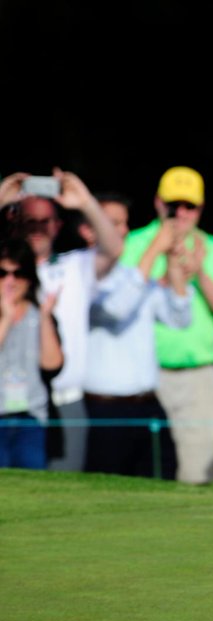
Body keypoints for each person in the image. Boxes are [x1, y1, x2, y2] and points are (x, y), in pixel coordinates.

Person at [120, 166, 213, 485]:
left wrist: (200, 273)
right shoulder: (134, 243)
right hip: (142, 379)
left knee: (197, 478)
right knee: (141, 477)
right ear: (158, 204)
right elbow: (117, 304)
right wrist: (169, 277)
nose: (181, 213)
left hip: (197, 380)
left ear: (200, 208)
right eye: (173, 205)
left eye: (189, 206)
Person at [1, 169, 124, 472]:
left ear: (58, 225)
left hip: (64, 400)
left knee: (62, 496)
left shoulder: (75, 266)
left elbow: (114, 249)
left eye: (45, 221)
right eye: (29, 220)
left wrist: (84, 202)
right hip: (8, 405)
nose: (37, 228)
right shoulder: (7, 272)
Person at [82, 195, 192, 479]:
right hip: (103, 410)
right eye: (113, 223)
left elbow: (179, 317)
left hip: (148, 406)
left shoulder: (134, 275)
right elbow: (116, 309)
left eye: (124, 223)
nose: (122, 231)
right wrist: (155, 248)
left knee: (163, 487)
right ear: (88, 230)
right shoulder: (80, 276)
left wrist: (172, 259)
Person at [0, 239, 62, 468]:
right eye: (3, 273)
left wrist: (46, 316)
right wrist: (6, 318)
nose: (10, 281)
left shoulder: (38, 315)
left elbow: (52, 365)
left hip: (31, 416)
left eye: (19, 273)